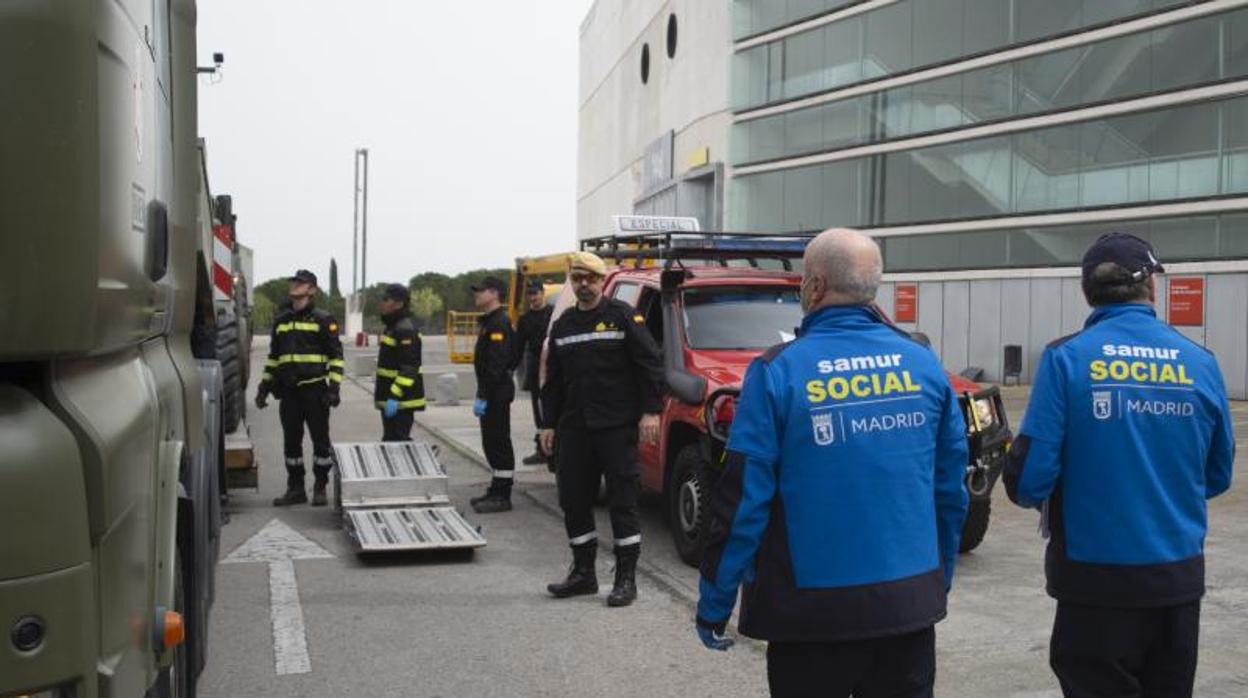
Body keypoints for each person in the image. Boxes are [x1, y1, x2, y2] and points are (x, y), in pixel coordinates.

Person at [695, 229, 969, 697]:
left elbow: (743, 500)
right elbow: (949, 491)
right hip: (907, 610)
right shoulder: (924, 364)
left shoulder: (777, 371)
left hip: (811, 617)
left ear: (816, 286)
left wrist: (715, 600)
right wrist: (937, 579)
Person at [1004, 233, 1234, 698]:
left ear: (1088, 291)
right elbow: (1217, 475)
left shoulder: (1067, 358)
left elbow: (1029, 482)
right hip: (1177, 581)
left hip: (1095, 584)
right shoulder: (1200, 362)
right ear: (1151, 287)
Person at [540, 251, 664, 608]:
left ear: (600, 281)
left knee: (623, 501)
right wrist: (548, 423)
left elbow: (650, 365)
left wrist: (651, 412)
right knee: (574, 500)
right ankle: (583, 574)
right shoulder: (563, 325)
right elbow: (555, 382)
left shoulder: (622, 317)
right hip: (575, 428)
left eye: (590, 278)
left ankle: (626, 579)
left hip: (616, 426)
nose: (583, 284)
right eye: (577, 278)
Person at [255, 269, 345, 507]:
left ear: (312, 290)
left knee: (320, 442)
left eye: (301, 282)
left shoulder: (323, 320)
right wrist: (263, 387)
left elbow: (336, 356)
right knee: (291, 443)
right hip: (289, 393)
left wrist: (334, 388)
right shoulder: (281, 321)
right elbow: (274, 358)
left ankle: (320, 486)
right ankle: (295, 488)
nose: (295, 285)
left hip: (315, 392)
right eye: (293, 281)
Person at [468, 276, 518, 514]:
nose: (476, 294)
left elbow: (497, 365)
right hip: (492, 392)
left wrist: (484, 395)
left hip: (496, 393)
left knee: (498, 443)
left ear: (494, 293)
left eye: (481, 290)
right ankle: (496, 488)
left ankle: (503, 495)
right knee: (491, 442)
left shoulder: (498, 323)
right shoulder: (491, 321)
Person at [376, 283, 425, 441]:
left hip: (400, 401)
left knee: (398, 444)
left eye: (386, 299)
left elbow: (409, 368)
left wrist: (394, 396)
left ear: (398, 303)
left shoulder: (405, 329)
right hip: (393, 400)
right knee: (391, 442)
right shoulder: (393, 326)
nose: (382, 302)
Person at [515, 280, 554, 465]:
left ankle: (555, 447)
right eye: (530, 294)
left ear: (542, 293)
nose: (533, 297)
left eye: (535, 293)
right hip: (535, 367)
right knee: (538, 411)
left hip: (553, 367)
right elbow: (518, 346)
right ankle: (541, 450)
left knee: (555, 408)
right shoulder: (525, 319)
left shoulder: (554, 313)